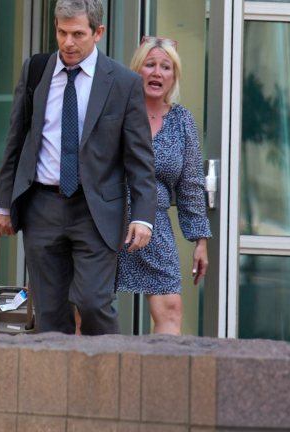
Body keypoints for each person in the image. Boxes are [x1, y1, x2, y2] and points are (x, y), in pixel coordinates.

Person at [0, 0, 157, 335]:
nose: (68, 42)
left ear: (98, 33)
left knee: (94, 301)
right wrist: (3, 205)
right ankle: (57, 386)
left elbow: (139, 158)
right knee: (50, 313)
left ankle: (111, 378)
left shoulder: (123, 82)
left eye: (78, 34)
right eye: (62, 32)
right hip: (42, 205)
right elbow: (16, 141)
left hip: (95, 210)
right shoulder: (36, 71)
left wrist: (143, 216)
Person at [114, 36, 212, 335]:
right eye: (150, 64)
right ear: (136, 70)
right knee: (88, 310)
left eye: (166, 67)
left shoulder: (182, 121)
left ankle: (161, 380)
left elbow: (191, 184)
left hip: (155, 225)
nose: (157, 72)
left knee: (171, 309)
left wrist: (201, 242)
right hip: (107, 219)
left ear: (173, 77)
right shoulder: (114, 111)